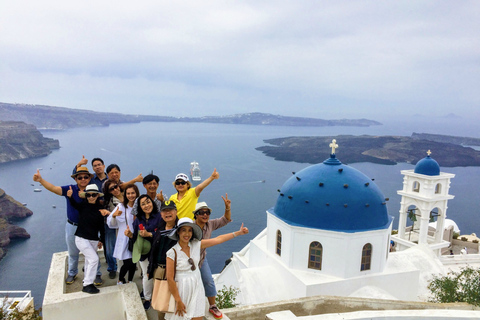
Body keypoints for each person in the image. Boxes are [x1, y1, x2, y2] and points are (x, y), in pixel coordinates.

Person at [166, 218, 248, 320]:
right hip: (181, 290)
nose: (187, 234)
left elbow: (218, 239)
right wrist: (178, 300)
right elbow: (170, 278)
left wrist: (238, 233)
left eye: (190, 230)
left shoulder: (196, 244)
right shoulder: (172, 252)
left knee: (197, 317)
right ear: (178, 232)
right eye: (183, 230)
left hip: (196, 286)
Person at [32, 166, 99, 285]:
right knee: (73, 252)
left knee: (93, 252)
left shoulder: (93, 191)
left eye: (85, 177)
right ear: (76, 179)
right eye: (80, 177)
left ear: (89, 178)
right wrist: (41, 180)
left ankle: (96, 274)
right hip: (73, 225)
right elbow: (53, 188)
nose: (83, 179)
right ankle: (72, 273)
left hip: (90, 227)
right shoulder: (70, 189)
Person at [194, 195, 232, 319]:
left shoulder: (210, 224)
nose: (205, 215)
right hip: (189, 261)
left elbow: (225, 220)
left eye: (207, 212)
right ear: (196, 215)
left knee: (209, 281)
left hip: (202, 258)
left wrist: (227, 208)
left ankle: (212, 306)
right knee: (190, 284)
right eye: (202, 212)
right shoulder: (190, 227)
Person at [125, 194, 163, 310]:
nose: (147, 205)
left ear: (153, 202)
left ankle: (158, 297)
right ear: (139, 207)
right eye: (143, 204)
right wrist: (130, 235)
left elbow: (163, 234)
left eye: (148, 202)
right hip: (144, 252)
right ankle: (147, 298)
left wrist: (150, 234)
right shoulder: (138, 220)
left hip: (157, 251)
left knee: (159, 276)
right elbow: (136, 238)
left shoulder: (160, 217)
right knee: (147, 276)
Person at [67, 184, 105, 294]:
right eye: (89, 195)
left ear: (97, 195)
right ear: (86, 196)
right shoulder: (83, 206)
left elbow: (101, 227)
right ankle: (88, 284)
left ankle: (86, 282)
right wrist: (70, 196)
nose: (91, 197)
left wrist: (101, 239)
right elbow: (74, 204)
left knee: (89, 261)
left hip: (93, 239)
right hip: (81, 238)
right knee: (94, 259)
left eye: (94, 195)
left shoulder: (100, 209)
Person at [147, 200, 179, 319]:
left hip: (175, 271)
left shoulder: (181, 229)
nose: (167, 213)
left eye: (170, 210)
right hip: (159, 269)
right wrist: (151, 268)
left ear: (176, 211)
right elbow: (154, 249)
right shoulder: (160, 227)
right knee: (161, 301)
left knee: (174, 300)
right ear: (161, 214)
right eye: (164, 211)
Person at [107, 184, 140, 284]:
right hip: (124, 237)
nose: (131, 195)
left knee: (134, 262)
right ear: (125, 195)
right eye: (128, 193)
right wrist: (114, 216)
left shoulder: (140, 206)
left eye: (133, 193)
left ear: (136, 193)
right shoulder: (121, 206)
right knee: (127, 262)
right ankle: (120, 279)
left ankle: (130, 280)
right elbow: (111, 224)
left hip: (136, 237)